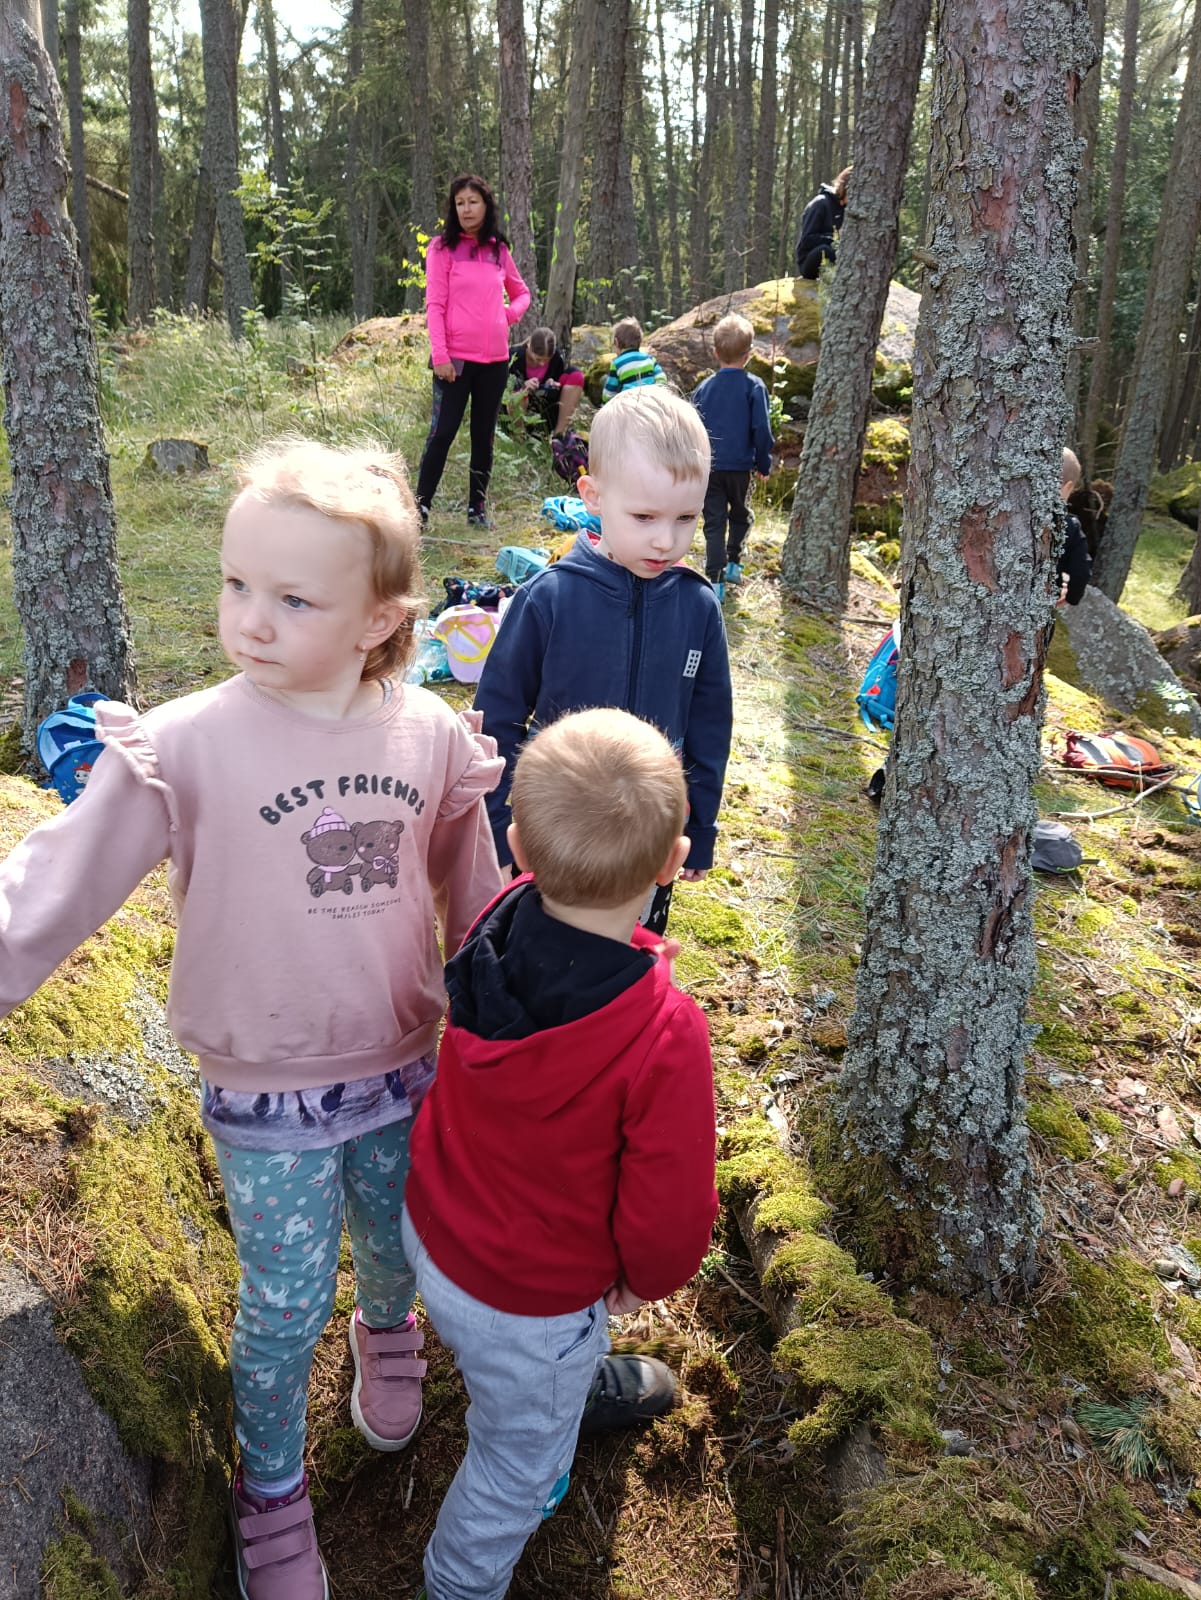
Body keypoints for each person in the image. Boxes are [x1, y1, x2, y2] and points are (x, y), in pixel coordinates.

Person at [0, 440, 506, 1600]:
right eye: (236, 584)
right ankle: (271, 1489)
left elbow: (472, 899)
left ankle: (387, 1329)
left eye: (292, 598)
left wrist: (510, 1023)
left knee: (398, 1237)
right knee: (283, 1299)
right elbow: (60, 878)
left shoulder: (428, 735)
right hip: (265, 1086)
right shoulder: (187, 744)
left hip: (404, 1066)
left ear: (380, 620)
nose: (251, 619)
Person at [403, 707, 719, 1600]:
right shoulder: (664, 1033)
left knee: (522, 1384)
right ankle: (457, 1587)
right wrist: (646, 1277)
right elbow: (668, 1207)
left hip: (433, 1232)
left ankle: (567, 1389)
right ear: (672, 861)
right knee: (514, 1466)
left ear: (515, 846)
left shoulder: (491, 930)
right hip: (532, 1302)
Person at [474, 385, 733, 934]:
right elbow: (497, 716)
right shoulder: (549, 598)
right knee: (541, 947)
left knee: (629, 950)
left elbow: (711, 727)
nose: (665, 540)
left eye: (686, 518)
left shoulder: (698, 607)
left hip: (650, 832)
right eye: (644, 516)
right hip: (556, 827)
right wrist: (498, 830)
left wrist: (701, 827)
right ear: (592, 496)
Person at [416, 174, 531, 530]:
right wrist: (440, 356)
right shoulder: (441, 248)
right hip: (455, 362)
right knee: (442, 434)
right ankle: (419, 509)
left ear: (486, 205)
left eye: (473, 202)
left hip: (495, 362)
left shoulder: (499, 250)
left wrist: (507, 315)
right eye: (460, 203)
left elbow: (522, 293)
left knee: (484, 437)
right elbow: (435, 305)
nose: (466, 209)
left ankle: (476, 509)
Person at [691, 313, 775, 601]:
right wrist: (763, 463)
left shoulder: (703, 389)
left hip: (711, 468)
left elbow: (693, 428)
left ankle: (715, 582)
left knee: (714, 522)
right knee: (740, 514)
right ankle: (734, 563)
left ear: (715, 353)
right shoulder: (754, 386)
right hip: (741, 468)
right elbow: (761, 429)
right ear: (748, 355)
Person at [509, 326, 585, 437]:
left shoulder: (557, 358)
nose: (542, 364)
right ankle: (519, 436)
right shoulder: (513, 356)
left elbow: (559, 380)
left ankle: (559, 435)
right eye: (538, 359)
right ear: (529, 346)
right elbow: (503, 386)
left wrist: (552, 383)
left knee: (576, 375)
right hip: (519, 409)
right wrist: (523, 385)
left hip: (546, 408)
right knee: (518, 392)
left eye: (546, 360)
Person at [794, 166, 852, 280]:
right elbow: (807, 240)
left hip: (835, 258)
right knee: (825, 251)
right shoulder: (820, 203)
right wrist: (835, 237)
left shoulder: (847, 210)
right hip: (809, 260)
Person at [601, 316, 667, 402]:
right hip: (651, 399)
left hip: (629, 402)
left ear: (616, 342)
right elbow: (662, 379)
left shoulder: (617, 364)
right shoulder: (650, 359)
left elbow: (608, 395)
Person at [1058, 448, 1093, 605]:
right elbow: (1081, 571)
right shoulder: (1069, 527)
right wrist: (1071, 597)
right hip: (1039, 602)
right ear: (1068, 487)